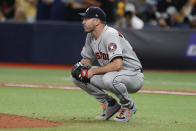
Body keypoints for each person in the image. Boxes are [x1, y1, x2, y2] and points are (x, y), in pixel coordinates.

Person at [71, 6, 144, 122]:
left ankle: (128, 106)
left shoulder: (109, 34)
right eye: (83, 19)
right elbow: (87, 60)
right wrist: (81, 67)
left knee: (109, 79)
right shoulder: (90, 36)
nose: (83, 22)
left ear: (96, 21)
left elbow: (117, 65)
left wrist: (93, 71)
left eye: (86, 19)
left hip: (133, 75)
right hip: (115, 74)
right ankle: (110, 103)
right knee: (78, 77)